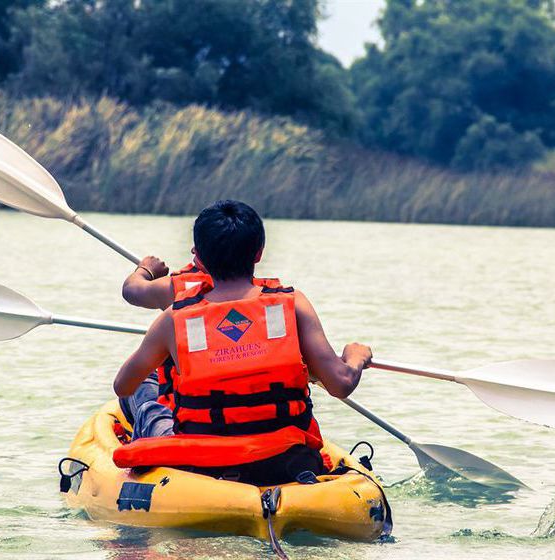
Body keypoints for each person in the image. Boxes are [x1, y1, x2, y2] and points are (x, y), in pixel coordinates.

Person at [112, 200, 372, 485]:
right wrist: (355, 356)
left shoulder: (175, 318)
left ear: (198, 257)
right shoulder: (292, 305)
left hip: (202, 466)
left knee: (148, 400)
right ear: (259, 253)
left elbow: (123, 386)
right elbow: (341, 384)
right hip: (284, 460)